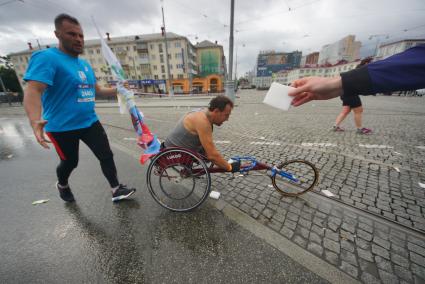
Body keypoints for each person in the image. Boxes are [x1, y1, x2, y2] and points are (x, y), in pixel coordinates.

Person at [23, 14, 136, 203]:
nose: (78, 39)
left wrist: (120, 89)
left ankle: (116, 189)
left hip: (89, 121)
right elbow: (33, 89)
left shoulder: (84, 65)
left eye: (81, 36)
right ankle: (62, 184)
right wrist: (35, 121)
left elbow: (97, 90)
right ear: (57, 34)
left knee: (106, 155)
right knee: (70, 162)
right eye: (72, 34)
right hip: (61, 127)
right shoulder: (47, 58)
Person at [288, 44, 425, 106]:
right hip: (351, 91)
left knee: (352, 110)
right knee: (353, 110)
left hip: (351, 90)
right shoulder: (362, 67)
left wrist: (338, 84)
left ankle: (342, 125)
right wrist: (338, 84)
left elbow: (416, 61)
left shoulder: (361, 67)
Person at [163, 95, 240, 172]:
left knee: (212, 153)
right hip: (172, 153)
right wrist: (229, 167)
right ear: (216, 111)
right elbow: (212, 155)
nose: (227, 119)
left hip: (174, 146)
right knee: (213, 155)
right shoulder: (203, 122)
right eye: (226, 115)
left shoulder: (203, 112)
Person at [333, 58, 373, 134]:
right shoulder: (363, 71)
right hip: (351, 92)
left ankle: (335, 126)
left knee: (345, 111)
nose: (372, 64)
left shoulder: (357, 69)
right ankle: (360, 129)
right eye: (371, 63)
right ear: (366, 63)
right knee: (358, 110)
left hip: (345, 92)